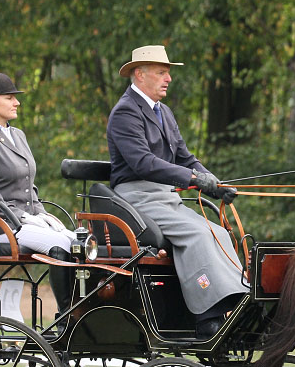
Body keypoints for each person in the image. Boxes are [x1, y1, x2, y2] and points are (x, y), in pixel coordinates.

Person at [106, 45, 248, 339]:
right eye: (161, 72)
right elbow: (143, 163)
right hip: (136, 197)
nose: (168, 79)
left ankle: (234, 302)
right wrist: (193, 178)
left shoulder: (164, 112)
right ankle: (206, 316)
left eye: (168, 73)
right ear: (139, 74)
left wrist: (212, 181)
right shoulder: (124, 112)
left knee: (219, 233)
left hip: (165, 197)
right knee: (196, 234)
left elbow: (183, 156)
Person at [0, 71, 76, 320]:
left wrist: (42, 214)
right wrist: (22, 218)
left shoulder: (18, 135)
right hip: (3, 227)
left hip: (28, 221)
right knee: (60, 246)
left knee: (78, 242)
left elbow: (30, 185)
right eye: (9, 97)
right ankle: (65, 316)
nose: (17, 102)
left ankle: (81, 313)